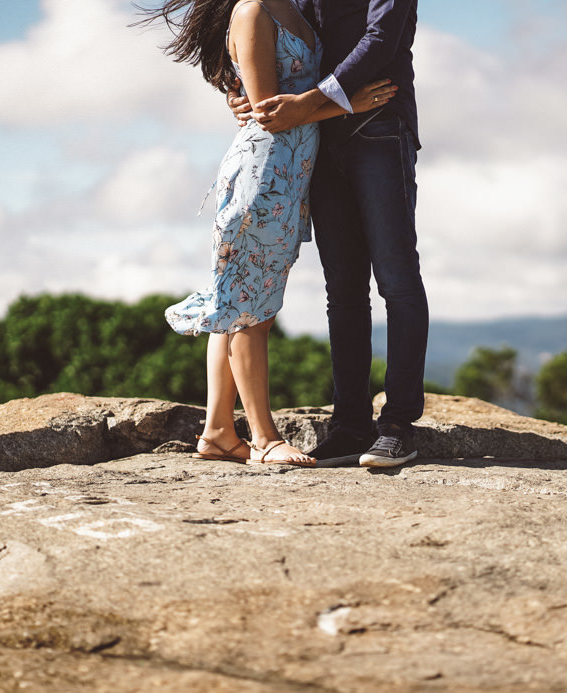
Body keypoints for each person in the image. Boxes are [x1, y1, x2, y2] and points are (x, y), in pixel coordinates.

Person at [136, 0, 396, 465]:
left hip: (288, 178)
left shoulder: (292, 8)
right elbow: (269, 113)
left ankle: (218, 432)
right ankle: (264, 438)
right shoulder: (253, 11)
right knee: (251, 313)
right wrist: (347, 104)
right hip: (263, 175)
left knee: (236, 301)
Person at [231, 0, 428, 467]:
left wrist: (310, 101)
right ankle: (351, 427)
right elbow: (278, 32)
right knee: (342, 290)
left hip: (378, 123)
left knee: (397, 278)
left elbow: (380, 39)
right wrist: (242, 90)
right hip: (318, 138)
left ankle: (398, 426)